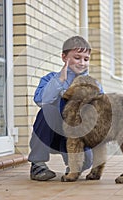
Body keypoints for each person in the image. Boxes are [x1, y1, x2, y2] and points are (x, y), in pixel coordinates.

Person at [28, 36, 103, 181]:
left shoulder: (94, 85)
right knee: (47, 110)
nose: (82, 63)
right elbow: (40, 100)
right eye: (77, 57)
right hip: (52, 134)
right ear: (64, 57)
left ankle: (74, 165)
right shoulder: (50, 79)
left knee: (85, 161)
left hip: (78, 135)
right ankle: (38, 164)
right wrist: (60, 81)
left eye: (86, 59)